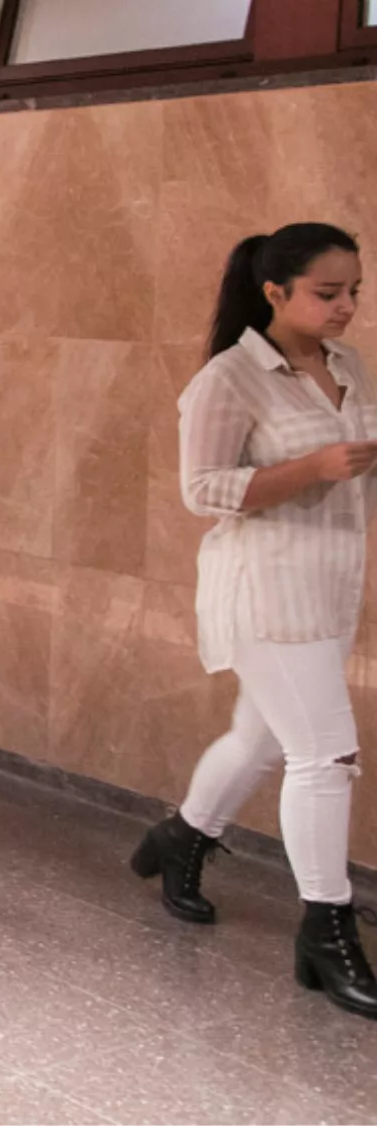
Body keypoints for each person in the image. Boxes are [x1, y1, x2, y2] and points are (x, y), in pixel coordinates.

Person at [133, 223, 377, 1021]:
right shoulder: (230, 379)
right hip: (265, 592)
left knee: (263, 738)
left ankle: (183, 837)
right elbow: (201, 490)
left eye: (354, 290)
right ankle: (326, 929)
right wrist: (309, 469)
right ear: (275, 293)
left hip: (330, 585)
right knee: (325, 754)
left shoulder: (348, 367)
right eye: (327, 292)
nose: (346, 306)